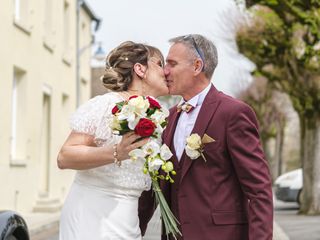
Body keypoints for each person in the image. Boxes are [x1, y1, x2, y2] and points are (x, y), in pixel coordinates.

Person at [139, 34, 273, 240]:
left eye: (172, 64)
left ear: (197, 66)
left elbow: (259, 190)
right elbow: (156, 186)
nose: (165, 71)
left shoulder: (233, 113)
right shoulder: (168, 117)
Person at [57, 41, 168, 240]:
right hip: (92, 215)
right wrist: (116, 151)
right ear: (140, 69)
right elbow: (65, 156)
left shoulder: (158, 114)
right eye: (160, 63)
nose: (166, 71)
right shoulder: (105, 105)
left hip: (128, 220)